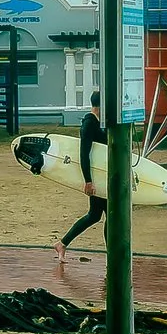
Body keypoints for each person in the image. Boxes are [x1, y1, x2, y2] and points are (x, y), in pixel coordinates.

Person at [59, 91, 109, 259]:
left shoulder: (101, 123)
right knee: (105, 215)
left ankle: (62, 244)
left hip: (103, 175)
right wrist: (88, 181)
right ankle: (113, 255)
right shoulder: (89, 124)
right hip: (96, 177)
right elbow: (84, 154)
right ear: (101, 105)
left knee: (97, 215)